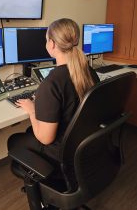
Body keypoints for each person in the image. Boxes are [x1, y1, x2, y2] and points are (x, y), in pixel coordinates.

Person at [7, 18, 99, 163]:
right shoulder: (90, 71)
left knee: (14, 140)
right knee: (29, 133)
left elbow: (45, 138)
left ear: (52, 44)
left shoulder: (51, 83)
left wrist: (32, 110)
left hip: (62, 152)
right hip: (83, 145)